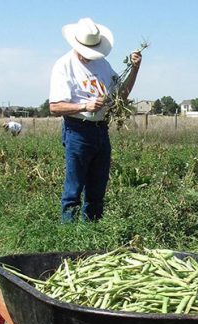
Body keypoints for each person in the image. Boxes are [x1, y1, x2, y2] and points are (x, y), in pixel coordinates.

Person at [49, 17, 142, 222]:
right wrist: (85, 105)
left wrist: (135, 69)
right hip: (78, 131)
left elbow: (122, 94)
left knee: (97, 190)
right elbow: (55, 107)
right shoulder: (64, 66)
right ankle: (68, 238)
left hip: (101, 130)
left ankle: (92, 232)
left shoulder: (103, 64)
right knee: (73, 190)